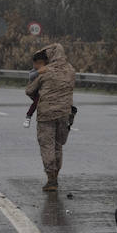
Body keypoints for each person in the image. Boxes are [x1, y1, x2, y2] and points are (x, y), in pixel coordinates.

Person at [25, 43, 76, 191]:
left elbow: (30, 90)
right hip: (65, 114)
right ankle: (56, 176)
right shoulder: (71, 70)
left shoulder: (45, 71)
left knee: (47, 146)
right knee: (58, 146)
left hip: (46, 114)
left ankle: (51, 179)